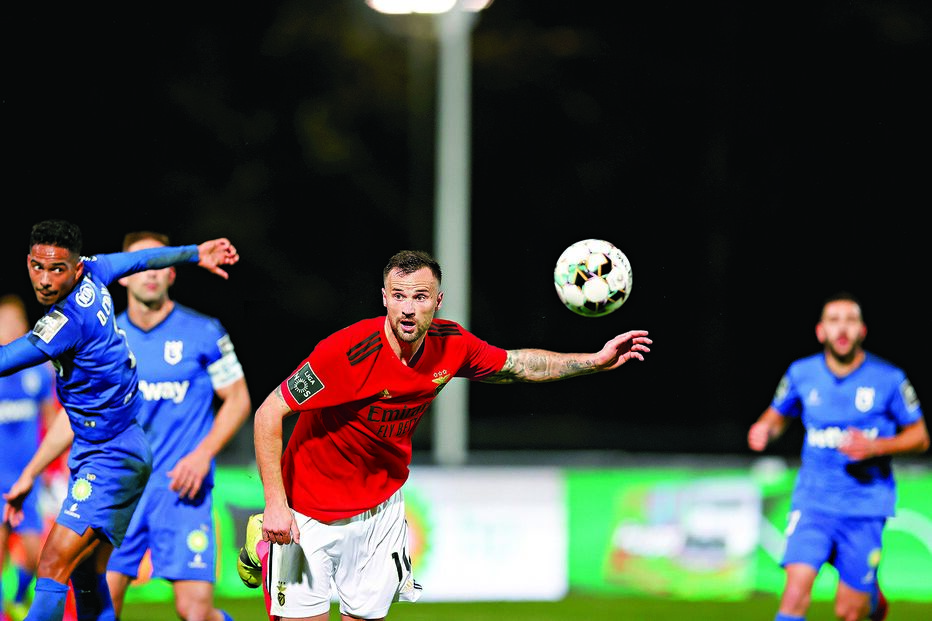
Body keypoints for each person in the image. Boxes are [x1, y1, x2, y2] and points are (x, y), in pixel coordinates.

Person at [237, 249, 652, 621]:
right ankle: (265, 542)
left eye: (419, 297)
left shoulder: (451, 344)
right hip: (306, 511)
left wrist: (593, 361)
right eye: (398, 296)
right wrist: (276, 505)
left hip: (380, 510)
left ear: (437, 302)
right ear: (384, 298)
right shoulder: (345, 353)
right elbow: (269, 413)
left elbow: (516, 365)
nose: (407, 308)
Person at [1, 219, 239, 621]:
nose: (44, 280)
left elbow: (7, 359)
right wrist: (196, 252)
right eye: (37, 267)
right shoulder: (97, 270)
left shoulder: (65, 323)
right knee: (86, 576)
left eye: (56, 269)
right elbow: (143, 257)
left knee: (53, 562)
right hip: (110, 452)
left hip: (113, 460)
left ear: (74, 268)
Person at [747, 291, 929, 621]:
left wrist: (877, 447)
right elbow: (776, 416)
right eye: (834, 321)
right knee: (794, 593)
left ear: (862, 331)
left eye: (850, 321)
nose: (842, 329)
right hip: (812, 503)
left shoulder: (889, 379)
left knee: (850, 611)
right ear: (821, 331)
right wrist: (764, 429)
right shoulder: (801, 373)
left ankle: (870, 599)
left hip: (864, 507)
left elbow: (920, 436)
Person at [104, 231, 252, 621]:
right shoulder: (107, 340)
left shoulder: (204, 332)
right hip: (120, 492)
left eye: (160, 263)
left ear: (172, 273)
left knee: (195, 612)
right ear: (122, 275)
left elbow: (238, 399)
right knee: (100, 607)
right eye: (141, 263)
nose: (151, 272)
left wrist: (203, 454)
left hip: (182, 490)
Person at [0, 295, 58, 621]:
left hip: (28, 477)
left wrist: (52, 466)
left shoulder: (38, 370)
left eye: (14, 321)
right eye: (2, 322)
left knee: (37, 554)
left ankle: (20, 596)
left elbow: (51, 420)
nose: (9, 328)